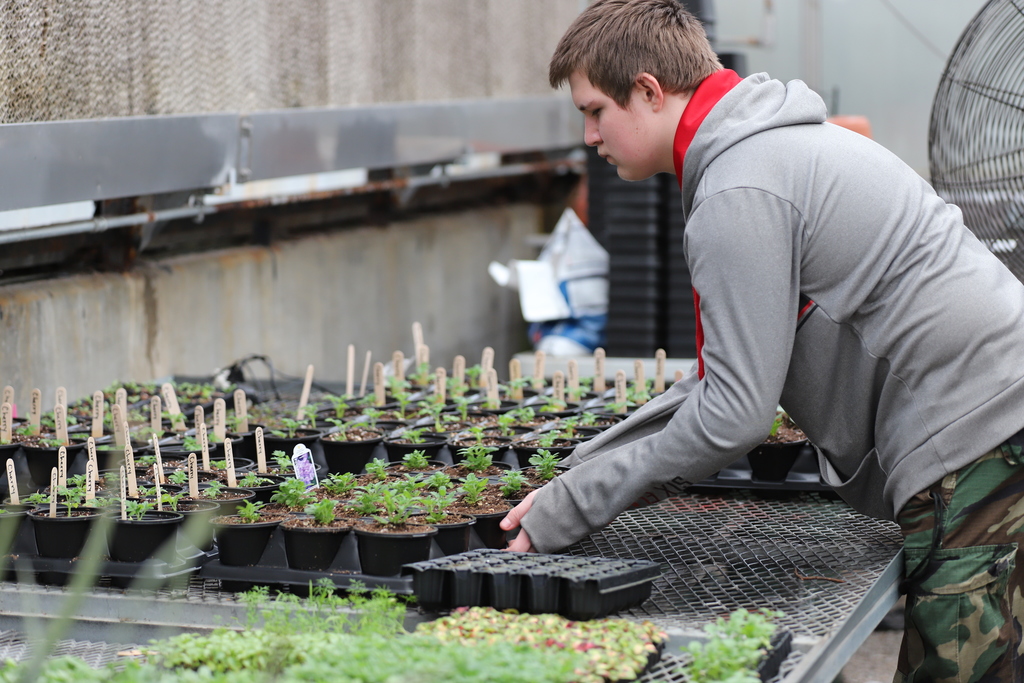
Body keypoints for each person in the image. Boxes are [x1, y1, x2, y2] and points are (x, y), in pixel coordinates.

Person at [498, 1, 1024, 681]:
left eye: (595, 110)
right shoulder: (770, 150)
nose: (590, 136)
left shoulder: (738, 189)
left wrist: (575, 504)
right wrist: (582, 473)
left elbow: (736, 415)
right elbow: (728, 375)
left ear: (650, 92)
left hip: (976, 431)